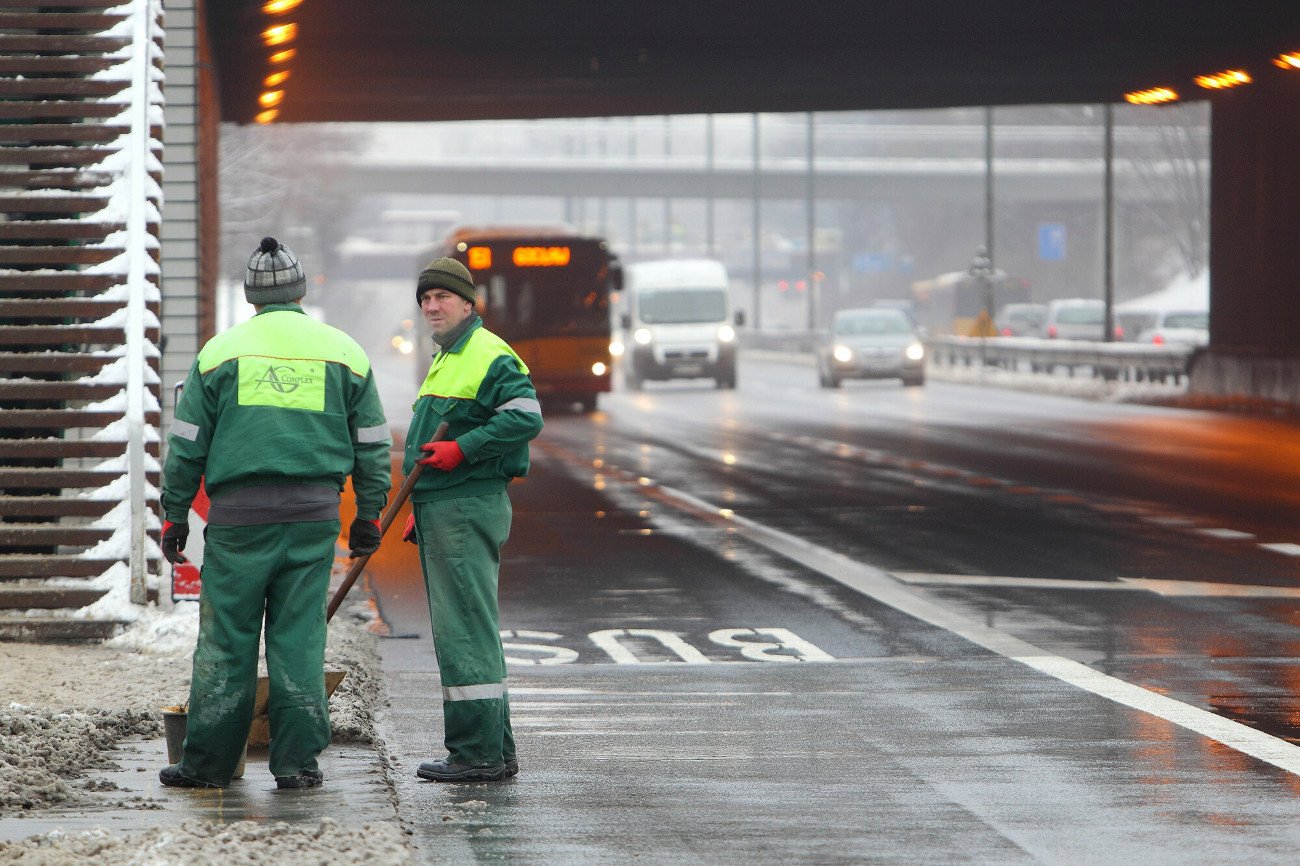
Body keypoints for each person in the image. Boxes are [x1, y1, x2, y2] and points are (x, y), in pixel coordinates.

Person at [157, 236, 391, 790]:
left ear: (251, 297)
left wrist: (174, 515)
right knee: (300, 640)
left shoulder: (220, 353)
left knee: (226, 641)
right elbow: (373, 445)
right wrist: (369, 516)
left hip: (239, 522)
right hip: (313, 521)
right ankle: (298, 764)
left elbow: (187, 444)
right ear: (301, 292)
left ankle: (210, 765)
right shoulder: (345, 353)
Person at [402, 256, 543, 783]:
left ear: (467, 301)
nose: (431, 306)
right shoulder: (449, 356)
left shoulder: (486, 353)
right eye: (425, 298)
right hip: (447, 508)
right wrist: (426, 507)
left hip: (465, 505)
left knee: (463, 628)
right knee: (472, 625)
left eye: (441, 296)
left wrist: (462, 451)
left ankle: (475, 753)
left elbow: (526, 417)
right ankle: (494, 749)